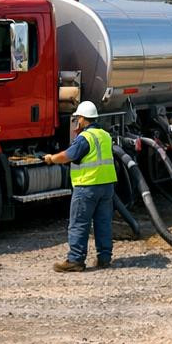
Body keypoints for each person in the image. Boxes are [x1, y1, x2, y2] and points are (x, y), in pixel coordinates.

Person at [42, 101, 117, 272]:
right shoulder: (104, 135)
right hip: (106, 186)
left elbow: (69, 155)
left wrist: (51, 158)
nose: (77, 121)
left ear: (83, 118)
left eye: (78, 118)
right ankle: (104, 258)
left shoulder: (85, 138)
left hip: (87, 186)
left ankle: (75, 260)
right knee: (103, 222)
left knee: (79, 223)